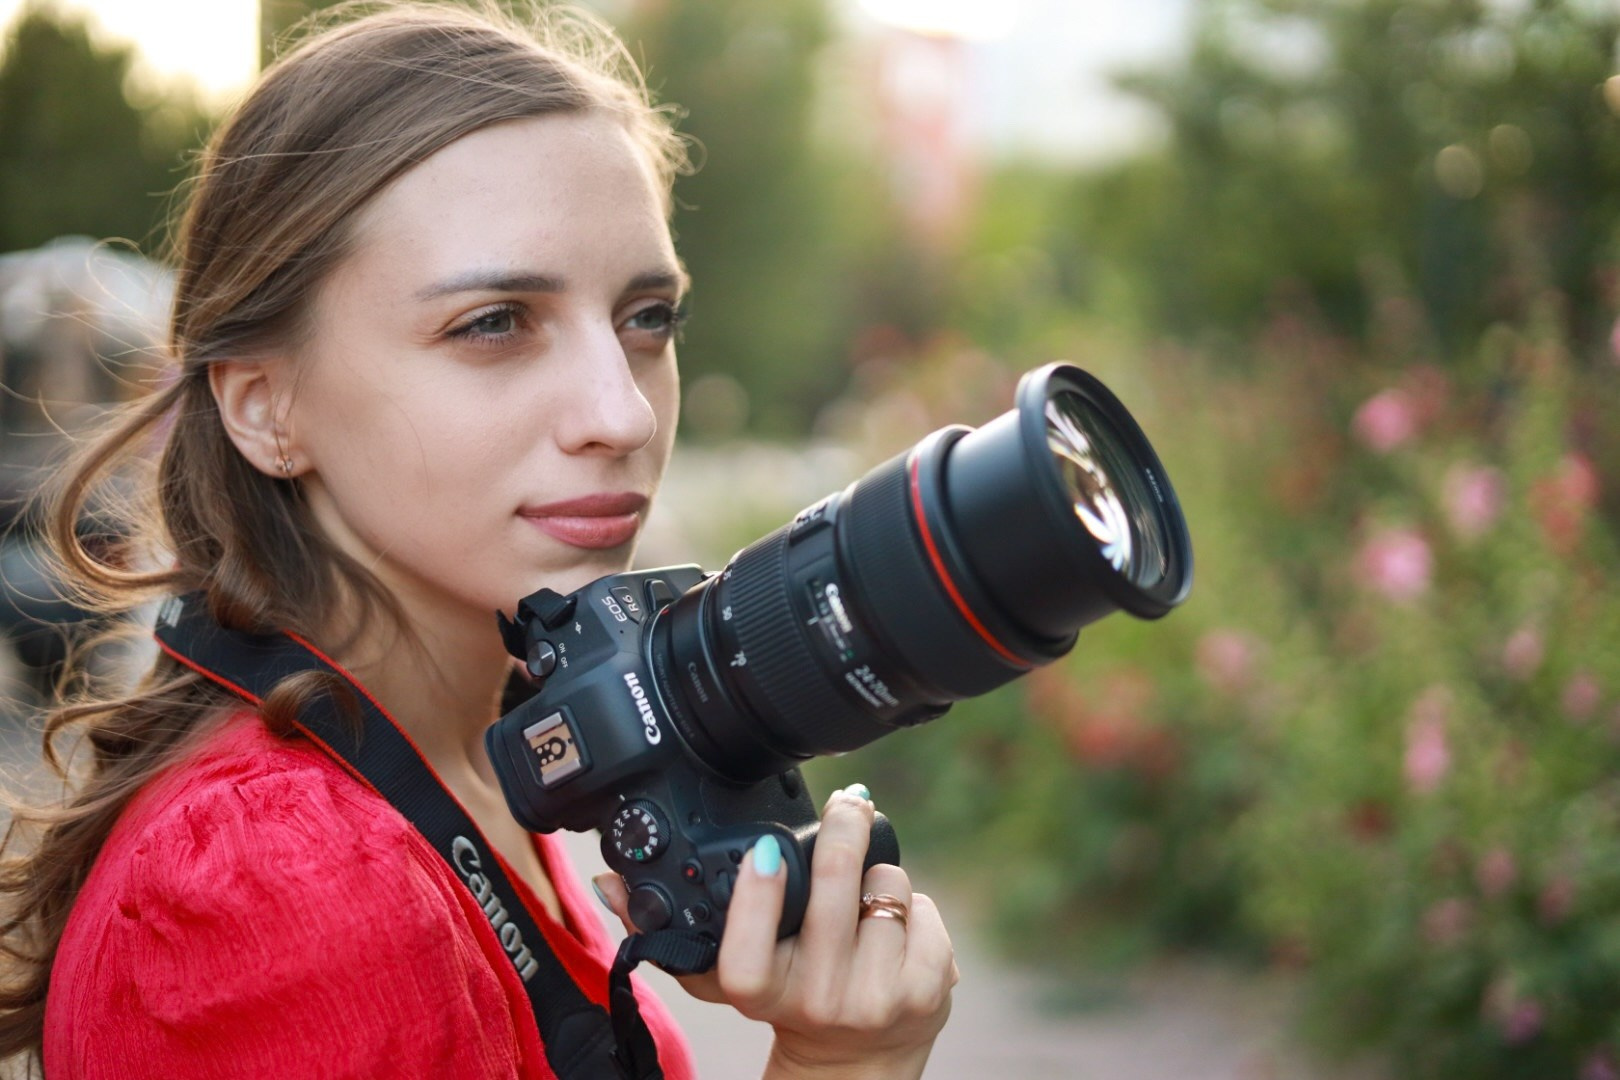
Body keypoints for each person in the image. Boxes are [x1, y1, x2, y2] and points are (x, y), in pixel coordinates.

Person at [0, 3, 957, 1077]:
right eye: (494, 322)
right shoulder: (274, 885)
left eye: (646, 319)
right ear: (266, 406)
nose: (623, 414)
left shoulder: (472, 758)